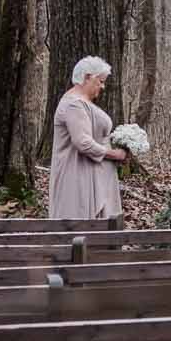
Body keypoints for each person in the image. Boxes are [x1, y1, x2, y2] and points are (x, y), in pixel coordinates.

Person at [50, 55, 130, 221]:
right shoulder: (74, 104)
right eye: (100, 81)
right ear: (87, 77)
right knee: (82, 225)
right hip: (79, 174)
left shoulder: (82, 103)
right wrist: (114, 154)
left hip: (96, 174)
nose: (103, 86)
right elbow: (83, 142)